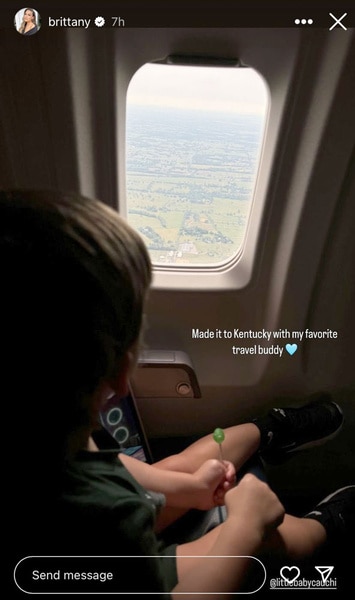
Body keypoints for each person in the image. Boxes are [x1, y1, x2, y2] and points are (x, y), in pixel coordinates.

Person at [2, 189, 354, 597]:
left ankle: (272, 430)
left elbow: (117, 468)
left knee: (184, 466)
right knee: (262, 545)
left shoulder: (54, 439)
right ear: (120, 377)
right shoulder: (112, 523)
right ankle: (320, 529)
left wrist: (193, 490)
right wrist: (245, 525)